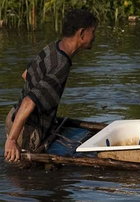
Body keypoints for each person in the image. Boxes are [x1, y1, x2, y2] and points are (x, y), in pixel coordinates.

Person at [4, 9, 98, 163]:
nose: (94, 37)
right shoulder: (62, 64)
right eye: (92, 32)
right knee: (26, 179)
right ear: (82, 34)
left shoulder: (53, 47)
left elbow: (26, 74)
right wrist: (12, 140)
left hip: (14, 117)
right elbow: (29, 101)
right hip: (26, 130)